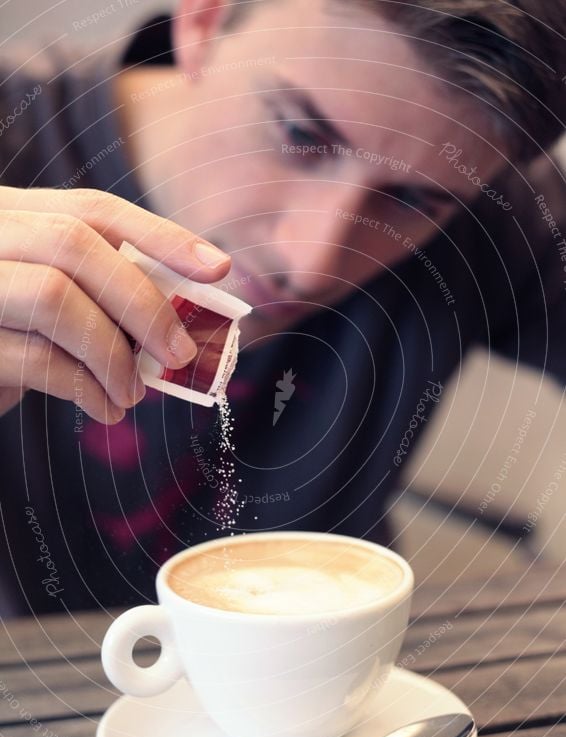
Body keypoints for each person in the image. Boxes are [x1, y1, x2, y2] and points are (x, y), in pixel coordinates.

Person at [0, 0, 565, 616]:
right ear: (204, 20)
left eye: (412, 201)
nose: (311, 263)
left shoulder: (495, 220)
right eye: (299, 133)